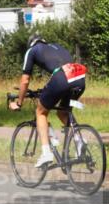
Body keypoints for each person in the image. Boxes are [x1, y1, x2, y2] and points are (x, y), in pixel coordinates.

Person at [9, 33, 86, 168]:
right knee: (63, 112)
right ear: (43, 41)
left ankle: (46, 152)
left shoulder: (32, 51)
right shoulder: (57, 46)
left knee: (40, 112)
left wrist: (19, 102)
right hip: (79, 76)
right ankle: (80, 141)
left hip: (62, 77)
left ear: (31, 44)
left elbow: (25, 80)